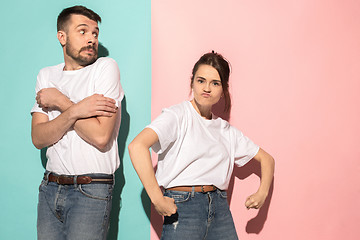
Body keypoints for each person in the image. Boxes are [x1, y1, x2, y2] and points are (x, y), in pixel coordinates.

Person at [128, 52, 275, 239]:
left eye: (215, 83)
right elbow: (137, 146)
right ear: (192, 82)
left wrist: (262, 193)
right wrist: (157, 199)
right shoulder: (177, 115)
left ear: (223, 90)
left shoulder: (226, 130)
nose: (207, 88)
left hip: (220, 210)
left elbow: (267, 159)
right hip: (183, 207)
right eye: (201, 81)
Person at [31, 5, 124, 240]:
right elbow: (39, 138)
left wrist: (61, 102)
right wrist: (78, 111)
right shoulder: (47, 76)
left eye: (95, 33)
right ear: (62, 37)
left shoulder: (105, 68)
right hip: (50, 187)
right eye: (82, 31)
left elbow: (101, 137)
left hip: (91, 188)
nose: (91, 39)